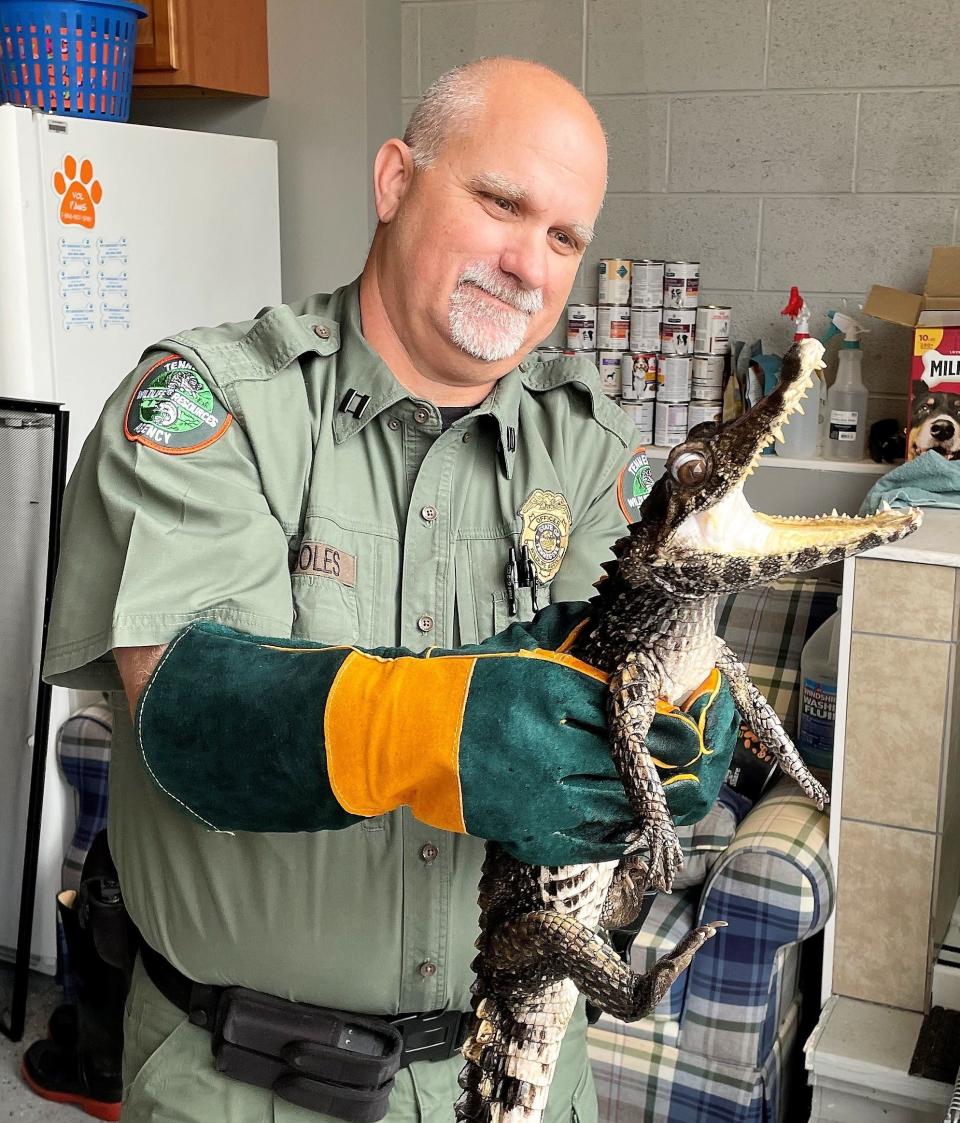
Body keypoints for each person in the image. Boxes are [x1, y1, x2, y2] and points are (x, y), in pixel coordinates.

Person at [42, 57, 738, 1122]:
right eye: (501, 202)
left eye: (564, 238)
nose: (528, 263)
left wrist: (690, 719)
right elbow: (188, 707)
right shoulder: (210, 404)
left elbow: (640, 671)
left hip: (525, 1076)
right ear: (394, 180)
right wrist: (447, 725)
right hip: (238, 1081)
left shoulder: (593, 453)